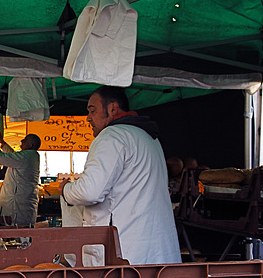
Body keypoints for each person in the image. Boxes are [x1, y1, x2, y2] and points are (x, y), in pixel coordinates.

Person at [58, 86, 181, 265]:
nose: (88, 118)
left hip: (124, 252)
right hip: (153, 250)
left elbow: (89, 192)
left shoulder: (112, 136)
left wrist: (66, 189)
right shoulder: (149, 138)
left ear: (113, 109)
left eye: (93, 111)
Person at [0, 132, 41, 226]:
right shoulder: (30, 156)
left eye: (24, 140)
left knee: (15, 230)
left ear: (30, 145)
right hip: (23, 202)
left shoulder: (26, 157)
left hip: (17, 205)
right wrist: (3, 143)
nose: (21, 141)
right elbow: (12, 155)